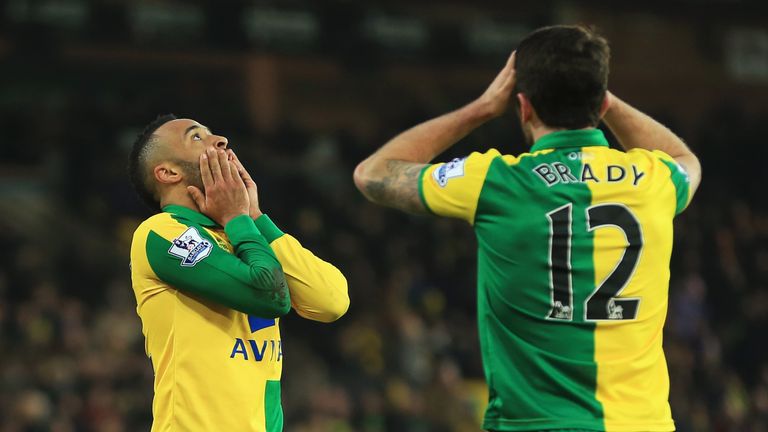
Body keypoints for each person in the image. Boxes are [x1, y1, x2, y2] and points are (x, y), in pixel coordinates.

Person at [354, 25, 701, 431]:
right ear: (602, 103)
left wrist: (481, 108)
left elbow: (372, 174)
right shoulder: (655, 179)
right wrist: (596, 93)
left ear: (523, 106)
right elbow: (684, 157)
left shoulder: (497, 182)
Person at [128, 114, 349, 432]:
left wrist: (255, 216)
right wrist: (237, 217)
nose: (220, 140)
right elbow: (270, 295)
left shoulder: (241, 234)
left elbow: (332, 301)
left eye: (213, 132)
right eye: (196, 137)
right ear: (167, 172)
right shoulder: (161, 233)